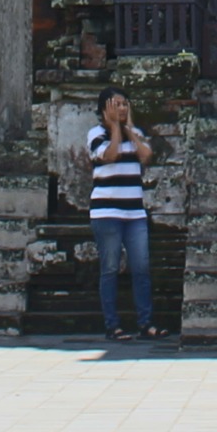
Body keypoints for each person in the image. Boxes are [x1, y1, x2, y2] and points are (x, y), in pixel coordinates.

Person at [85, 87, 161, 341]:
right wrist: (115, 129)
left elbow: (146, 155)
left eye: (124, 104)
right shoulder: (96, 134)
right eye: (116, 104)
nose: (121, 108)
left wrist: (128, 129)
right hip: (107, 211)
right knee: (109, 268)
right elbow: (109, 155)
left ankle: (146, 322)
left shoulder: (135, 134)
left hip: (134, 212)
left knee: (141, 267)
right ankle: (112, 325)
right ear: (104, 108)